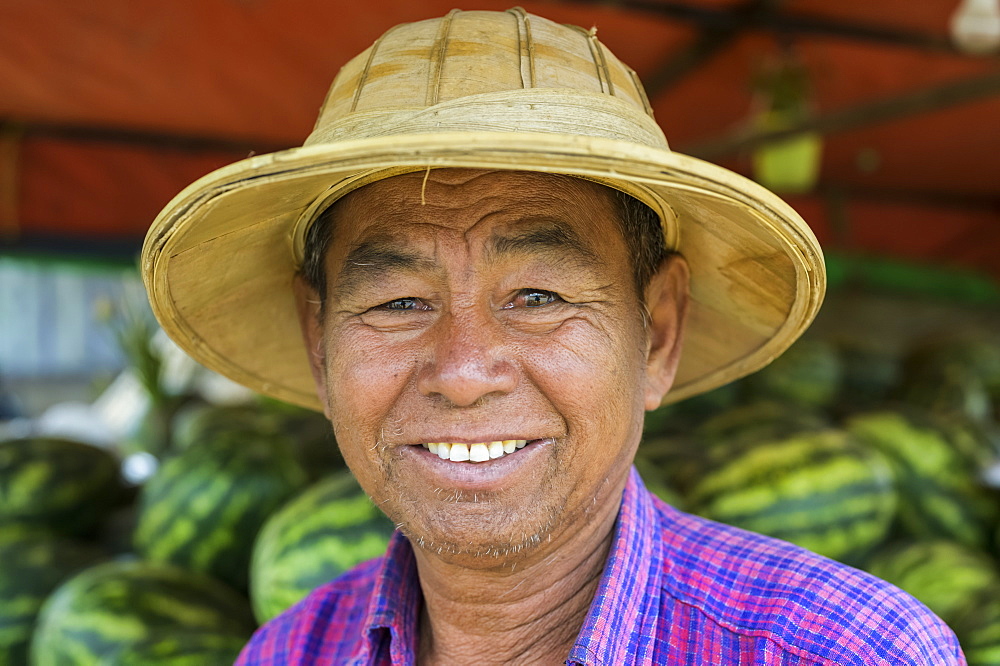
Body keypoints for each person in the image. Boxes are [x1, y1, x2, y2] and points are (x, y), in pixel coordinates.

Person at [142, 9, 965, 665]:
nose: (464, 373)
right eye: (397, 302)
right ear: (319, 343)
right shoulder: (286, 652)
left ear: (659, 334)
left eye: (538, 295)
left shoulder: (846, 651)